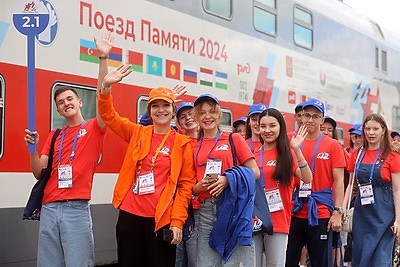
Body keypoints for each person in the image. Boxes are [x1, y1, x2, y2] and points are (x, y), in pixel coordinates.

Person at [98, 63, 196, 266]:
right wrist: (106, 88)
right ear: (149, 111)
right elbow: (109, 116)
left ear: (173, 111)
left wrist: (177, 221)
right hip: (129, 215)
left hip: (161, 219)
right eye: (155, 106)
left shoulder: (183, 143)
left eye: (166, 105)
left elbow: (185, 186)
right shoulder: (137, 133)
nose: (160, 110)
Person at [24, 88, 106, 266]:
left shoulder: (94, 128)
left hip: (76, 209)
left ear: (80, 102)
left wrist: (103, 60)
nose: (66, 103)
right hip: (49, 209)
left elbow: (103, 101)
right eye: (61, 102)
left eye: (70, 99)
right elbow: (39, 173)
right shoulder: (55, 135)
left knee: (78, 263)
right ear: (58, 110)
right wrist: (34, 149)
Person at [192, 94, 260, 266]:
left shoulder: (233, 138)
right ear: (196, 117)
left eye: (211, 111)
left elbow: (255, 172)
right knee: (206, 263)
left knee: (236, 262)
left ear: (219, 114)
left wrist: (228, 179)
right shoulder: (192, 145)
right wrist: (199, 187)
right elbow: (189, 186)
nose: (207, 117)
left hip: (232, 206)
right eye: (202, 113)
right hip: (205, 211)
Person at [285, 98, 346, 267]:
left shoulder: (333, 145)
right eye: (306, 115)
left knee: (319, 261)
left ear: (322, 120)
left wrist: (337, 211)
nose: (310, 120)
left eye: (315, 116)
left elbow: (339, 180)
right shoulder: (291, 142)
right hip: (295, 209)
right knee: (288, 260)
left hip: (320, 211)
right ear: (300, 118)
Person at [253, 108, 312, 267]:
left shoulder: (287, 154)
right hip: (254, 219)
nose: (267, 131)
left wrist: (297, 150)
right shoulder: (253, 154)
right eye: (263, 126)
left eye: (272, 126)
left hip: (278, 219)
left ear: (281, 127)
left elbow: (307, 178)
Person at [343, 113, 400, 267]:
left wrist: (398, 220)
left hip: (385, 214)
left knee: (380, 258)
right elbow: (350, 185)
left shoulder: (393, 156)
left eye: (375, 129)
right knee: (361, 255)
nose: (371, 133)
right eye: (367, 129)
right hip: (362, 212)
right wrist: (341, 209)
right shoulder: (357, 153)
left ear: (383, 130)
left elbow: (397, 190)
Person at [174, 101, 199, 267]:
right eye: (183, 117)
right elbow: (146, 123)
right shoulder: (176, 141)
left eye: (191, 114)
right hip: (177, 206)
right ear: (178, 123)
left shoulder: (208, 141)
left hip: (199, 209)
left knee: (195, 258)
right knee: (177, 258)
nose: (188, 118)